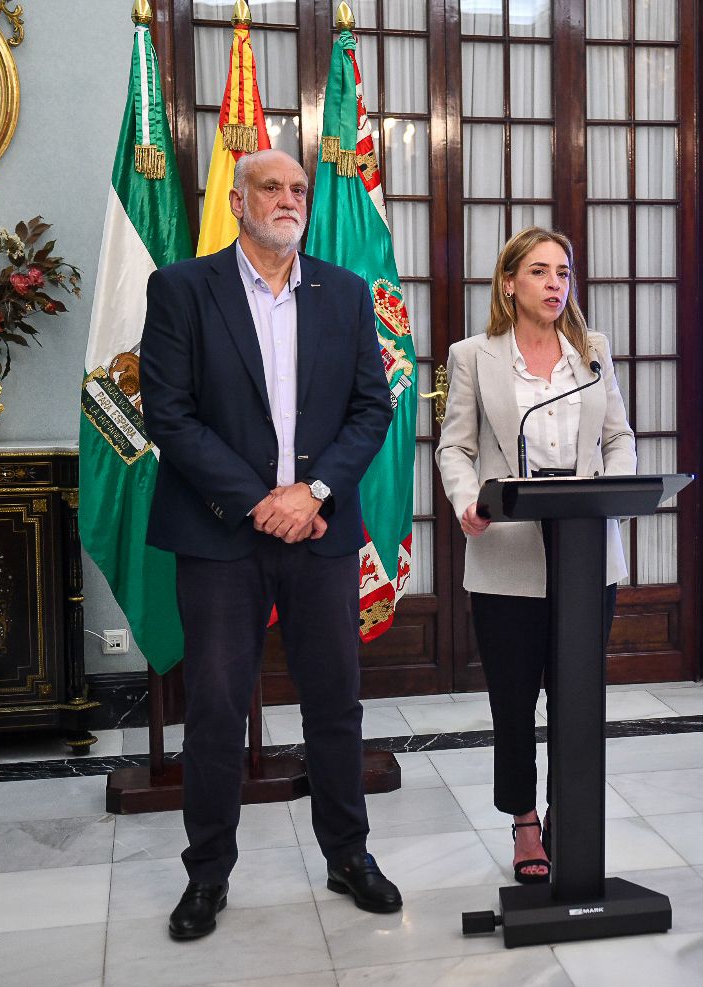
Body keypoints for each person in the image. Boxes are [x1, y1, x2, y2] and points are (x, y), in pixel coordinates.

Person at [140, 149, 402, 940]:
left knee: (335, 703)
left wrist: (313, 493)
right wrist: (261, 503)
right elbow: (169, 412)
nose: (289, 199)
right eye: (271, 187)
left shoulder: (344, 292)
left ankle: (348, 853)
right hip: (219, 534)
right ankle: (207, 873)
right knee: (216, 709)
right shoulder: (182, 288)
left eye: (298, 189)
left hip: (320, 532)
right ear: (237, 198)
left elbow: (371, 407)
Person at [436, 226, 636, 883]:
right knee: (515, 700)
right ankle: (524, 820)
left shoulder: (592, 353)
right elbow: (455, 447)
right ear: (509, 283)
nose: (555, 284)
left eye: (563, 272)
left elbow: (618, 439)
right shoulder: (474, 356)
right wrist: (467, 499)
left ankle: (566, 813)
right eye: (540, 271)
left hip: (585, 554)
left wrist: (612, 494)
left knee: (576, 697)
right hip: (507, 554)